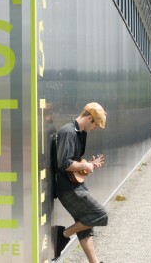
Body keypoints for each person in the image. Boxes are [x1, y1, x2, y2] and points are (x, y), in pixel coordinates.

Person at [53, 102, 108, 263]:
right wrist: (85, 165)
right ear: (89, 118)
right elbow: (63, 163)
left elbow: (73, 163)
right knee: (99, 214)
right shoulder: (68, 132)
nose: (95, 128)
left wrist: (87, 167)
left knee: (84, 226)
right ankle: (62, 235)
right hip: (66, 189)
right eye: (96, 125)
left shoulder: (80, 133)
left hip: (74, 184)